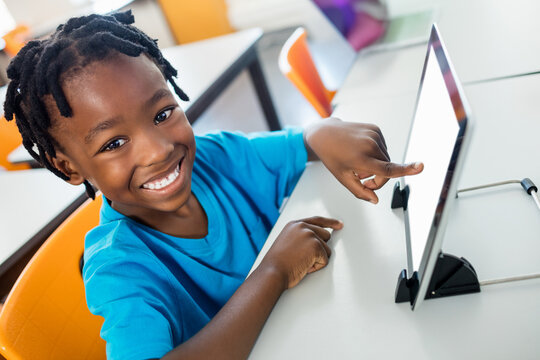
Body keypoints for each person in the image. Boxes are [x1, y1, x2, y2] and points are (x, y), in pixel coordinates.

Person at [2, 11, 423, 360]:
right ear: (68, 166)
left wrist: (324, 132)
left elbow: (299, 144)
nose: (158, 151)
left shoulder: (214, 156)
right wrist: (273, 272)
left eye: (163, 113)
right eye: (114, 143)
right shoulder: (119, 271)